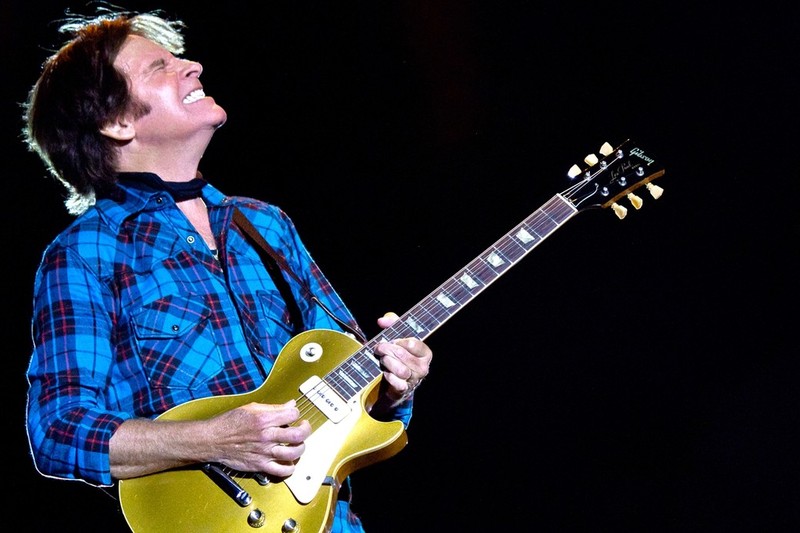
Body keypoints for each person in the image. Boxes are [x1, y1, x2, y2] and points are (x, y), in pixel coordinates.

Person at [23, 7, 432, 532]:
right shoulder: (86, 252)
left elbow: (350, 382)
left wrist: (395, 384)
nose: (192, 66)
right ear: (116, 122)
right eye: (159, 67)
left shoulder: (264, 224)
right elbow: (58, 431)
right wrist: (214, 439)